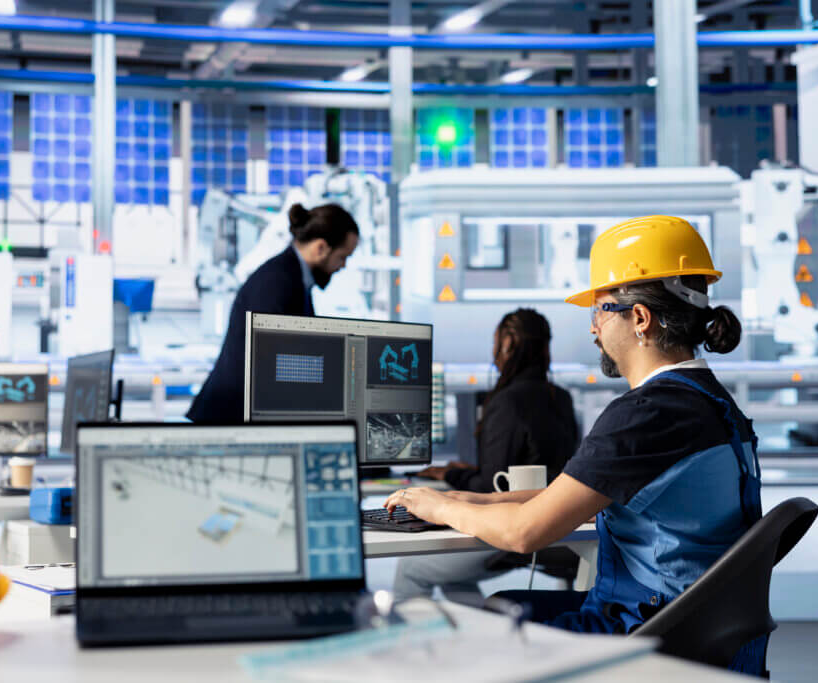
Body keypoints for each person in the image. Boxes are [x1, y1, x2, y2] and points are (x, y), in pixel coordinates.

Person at [384, 216, 767, 675]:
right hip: (705, 635)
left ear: (639, 319)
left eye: (599, 311)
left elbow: (524, 533)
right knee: (503, 604)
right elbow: (579, 492)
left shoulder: (646, 414)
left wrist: (440, 509)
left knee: (485, 625)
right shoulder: (710, 403)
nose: (593, 330)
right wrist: (473, 497)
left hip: (643, 632)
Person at [393, 308, 580, 602]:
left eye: (496, 345)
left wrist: (451, 474)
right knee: (452, 576)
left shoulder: (507, 401)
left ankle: (408, 646)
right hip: (559, 529)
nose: (494, 355)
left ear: (507, 345)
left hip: (512, 528)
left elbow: (490, 486)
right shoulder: (562, 398)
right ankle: (482, 637)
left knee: (411, 569)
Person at [187, 203, 359, 424]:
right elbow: (278, 363)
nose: (342, 266)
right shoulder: (277, 282)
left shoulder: (294, 279)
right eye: (343, 256)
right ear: (320, 248)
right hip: (230, 420)